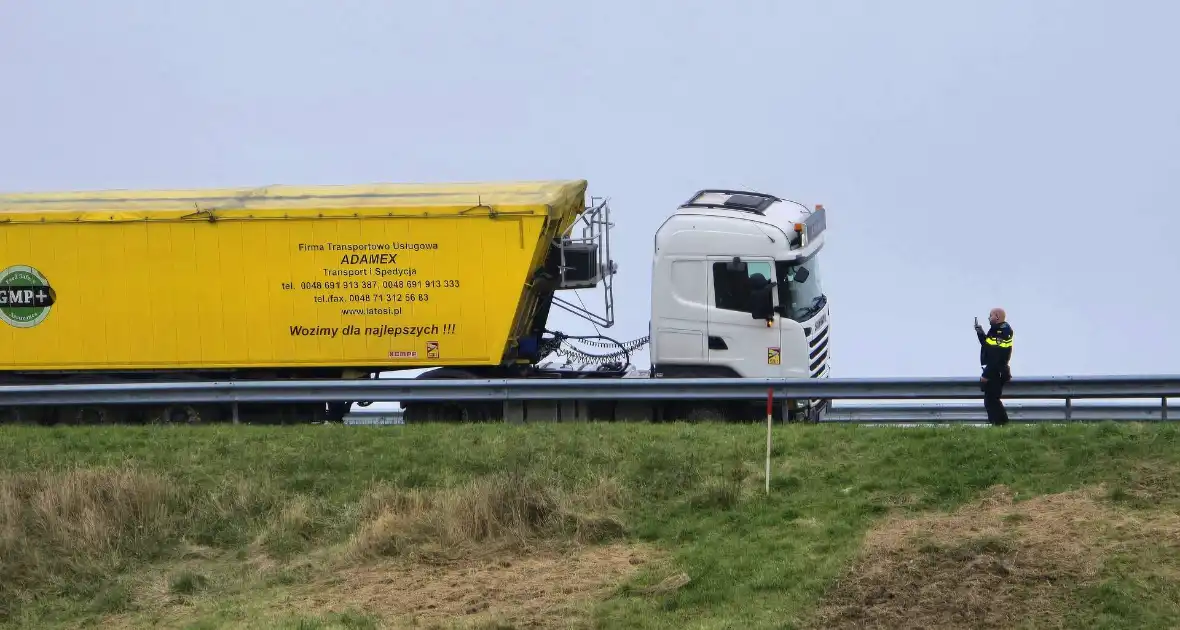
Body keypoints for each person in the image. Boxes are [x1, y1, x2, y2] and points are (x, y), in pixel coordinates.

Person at [975, 308, 1013, 425]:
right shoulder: (997, 330)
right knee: (991, 400)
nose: (988, 318)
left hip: (996, 372)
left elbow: (995, 357)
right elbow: (988, 345)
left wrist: (986, 375)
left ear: (997, 316)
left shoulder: (1002, 332)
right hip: (996, 370)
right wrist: (980, 332)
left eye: (990, 315)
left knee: (991, 401)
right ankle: (1001, 426)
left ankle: (1001, 425)